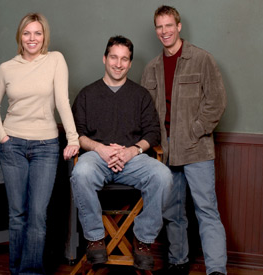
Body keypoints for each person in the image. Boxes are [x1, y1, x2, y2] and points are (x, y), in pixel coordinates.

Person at [0, 13, 79, 275]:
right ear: (20, 36)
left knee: (38, 215)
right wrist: (2, 136)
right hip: (12, 146)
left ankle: (29, 272)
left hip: (46, 147)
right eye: (27, 33)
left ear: (44, 36)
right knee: (18, 214)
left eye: (37, 33)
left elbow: (62, 101)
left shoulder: (55, 60)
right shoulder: (6, 68)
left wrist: (72, 138)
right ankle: (16, 270)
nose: (32, 38)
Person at [70, 35, 173, 271]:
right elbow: (78, 134)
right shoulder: (87, 94)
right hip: (97, 158)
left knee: (163, 176)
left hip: (132, 160)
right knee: (81, 172)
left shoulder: (141, 95)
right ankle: (95, 238)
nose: (118, 64)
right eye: (114, 57)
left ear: (130, 63)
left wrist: (132, 151)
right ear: (104, 59)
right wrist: (101, 149)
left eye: (124, 59)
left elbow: (153, 133)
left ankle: (143, 240)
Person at [141, 5, 227, 275]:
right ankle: (178, 263)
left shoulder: (202, 59)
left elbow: (217, 101)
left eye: (169, 25)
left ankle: (216, 270)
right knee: (172, 212)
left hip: (196, 148)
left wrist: (195, 129)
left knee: (207, 211)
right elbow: (145, 111)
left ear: (179, 26)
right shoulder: (152, 67)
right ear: (156, 30)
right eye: (159, 26)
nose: (164, 31)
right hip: (163, 152)